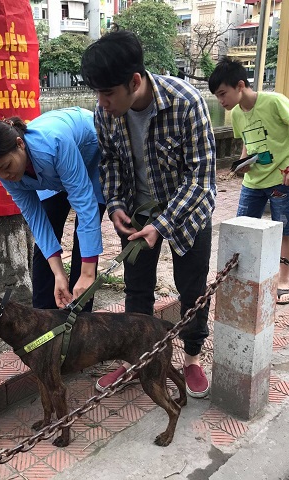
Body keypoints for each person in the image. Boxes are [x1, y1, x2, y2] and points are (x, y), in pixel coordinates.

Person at [80, 27, 216, 398]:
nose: (102, 102)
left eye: (108, 93)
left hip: (187, 213)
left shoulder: (186, 102)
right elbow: (109, 160)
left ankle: (191, 358)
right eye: (98, 93)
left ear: (135, 81)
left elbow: (201, 176)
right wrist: (116, 204)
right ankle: (134, 359)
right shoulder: (105, 111)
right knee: (137, 289)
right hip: (137, 211)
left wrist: (163, 223)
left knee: (192, 289)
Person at [0, 107, 106, 311]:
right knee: (46, 237)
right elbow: (36, 219)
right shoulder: (6, 170)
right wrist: (59, 273)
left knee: (84, 244)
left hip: (92, 153)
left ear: (19, 144)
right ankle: (43, 317)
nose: (3, 176)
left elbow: (85, 206)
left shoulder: (54, 143)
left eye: (5, 167)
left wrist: (87, 273)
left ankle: (80, 319)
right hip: (49, 170)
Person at [208, 57, 289, 306]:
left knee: (285, 229)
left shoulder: (274, 101)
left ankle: (283, 281)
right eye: (217, 96)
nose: (221, 101)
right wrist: (242, 164)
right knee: (244, 228)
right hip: (253, 183)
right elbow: (247, 144)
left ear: (240, 85)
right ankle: (245, 276)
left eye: (223, 94)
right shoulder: (238, 116)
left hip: (281, 180)